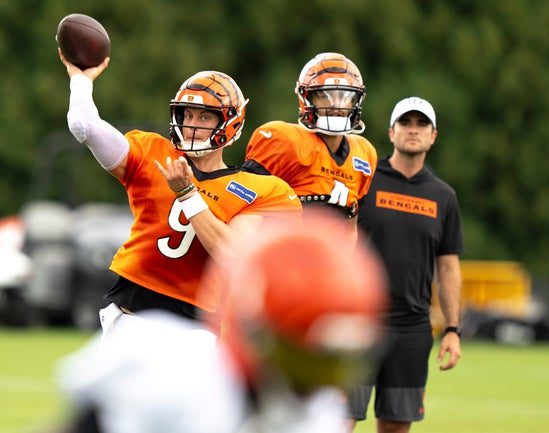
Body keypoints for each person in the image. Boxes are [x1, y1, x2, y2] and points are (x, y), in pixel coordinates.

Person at [56, 211, 387, 433]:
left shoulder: (320, 416)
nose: (318, 378)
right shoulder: (160, 374)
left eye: (330, 361)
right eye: (306, 356)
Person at [58, 51, 301, 337]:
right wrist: (80, 79)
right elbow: (85, 127)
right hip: (133, 318)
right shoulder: (153, 153)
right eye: (187, 114)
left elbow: (233, 253)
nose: (192, 125)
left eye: (205, 116)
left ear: (230, 122)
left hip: (198, 330)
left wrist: (187, 193)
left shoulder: (261, 190)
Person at [348, 97, 463, 433]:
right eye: (406, 123)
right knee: (338, 421)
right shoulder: (365, 181)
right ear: (391, 132)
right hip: (358, 321)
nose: (413, 130)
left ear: (433, 135)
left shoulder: (444, 196)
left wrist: (453, 329)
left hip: (411, 330)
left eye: (421, 124)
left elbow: (449, 266)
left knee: (396, 426)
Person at [242, 52, 377, 239]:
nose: (336, 106)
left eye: (344, 97)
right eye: (325, 96)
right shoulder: (285, 141)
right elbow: (243, 208)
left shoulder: (364, 154)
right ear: (306, 99)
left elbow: (351, 225)